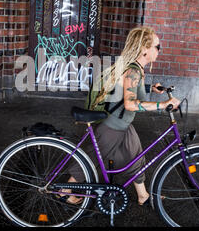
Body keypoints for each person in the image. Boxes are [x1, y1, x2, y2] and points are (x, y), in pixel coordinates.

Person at [65, 26, 181, 205]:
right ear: (144, 49)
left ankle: (143, 196)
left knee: (136, 158)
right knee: (92, 159)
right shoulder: (133, 70)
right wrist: (163, 105)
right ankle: (64, 191)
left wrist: (150, 88)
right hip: (113, 127)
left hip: (123, 125)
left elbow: (128, 89)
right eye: (157, 47)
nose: (159, 50)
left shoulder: (137, 68)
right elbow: (130, 103)